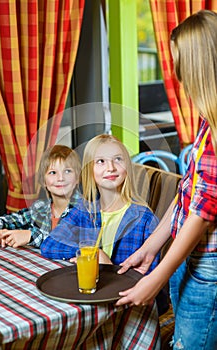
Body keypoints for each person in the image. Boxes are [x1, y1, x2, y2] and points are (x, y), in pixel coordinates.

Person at [116, 10, 217, 350]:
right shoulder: (207, 122)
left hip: (208, 268)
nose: (178, 77)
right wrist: (150, 249)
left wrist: (155, 279)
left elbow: (202, 215)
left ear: (198, 66)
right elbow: (187, 193)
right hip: (186, 256)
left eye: (180, 65)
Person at [41, 134, 160, 272]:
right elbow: (49, 245)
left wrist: (109, 268)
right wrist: (92, 252)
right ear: (90, 170)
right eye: (101, 161)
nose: (111, 168)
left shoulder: (145, 219)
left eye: (118, 159)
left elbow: (150, 278)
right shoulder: (84, 210)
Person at [0, 145, 81, 248]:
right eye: (53, 172)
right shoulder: (40, 208)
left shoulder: (86, 209)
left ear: (77, 178)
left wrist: (30, 236)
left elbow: (73, 245)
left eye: (67, 171)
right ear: (44, 181)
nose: (61, 178)